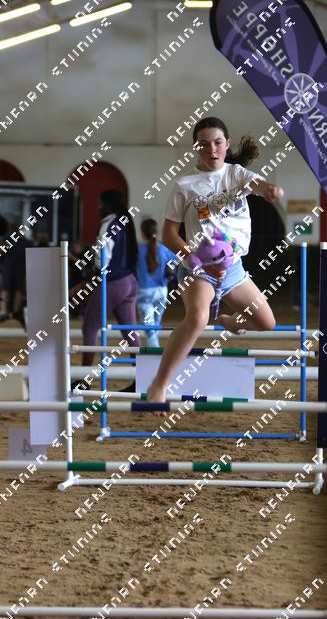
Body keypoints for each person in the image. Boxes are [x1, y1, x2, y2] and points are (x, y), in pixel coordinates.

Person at [146, 117, 284, 405]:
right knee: (198, 318)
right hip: (199, 270)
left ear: (227, 144)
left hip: (233, 268)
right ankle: (159, 385)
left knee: (267, 322)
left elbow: (258, 184)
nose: (212, 149)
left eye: (218, 142)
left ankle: (231, 321)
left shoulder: (237, 174)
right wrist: (196, 261)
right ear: (196, 147)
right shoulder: (184, 184)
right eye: (204, 144)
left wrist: (270, 189)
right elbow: (169, 234)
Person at [77, 190, 140, 385]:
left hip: (113, 282)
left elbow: (102, 259)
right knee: (130, 332)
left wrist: (92, 279)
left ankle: (84, 379)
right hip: (130, 281)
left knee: (89, 328)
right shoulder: (124, 222)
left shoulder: (108, 224)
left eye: (100, 204)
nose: (98, 208)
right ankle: (140, 378)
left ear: (108, 205)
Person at [136, 218, 178, 347]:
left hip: (144, 292)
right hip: (162, 292)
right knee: (155, 324)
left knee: (149, 328)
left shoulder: (137, 250)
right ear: (156, 232)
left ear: (142, 232)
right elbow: (178, 260)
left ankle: (155, 350)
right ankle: (154, 349)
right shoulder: (164, 249)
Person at [0, 215, 30, 327]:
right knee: (17, 290)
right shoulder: (24, 241)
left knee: (6, 289)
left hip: (7, 267)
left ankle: (4, 311)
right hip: (19, 267)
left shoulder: (5, 239)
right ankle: (15, 312)